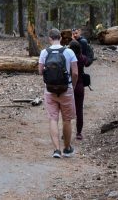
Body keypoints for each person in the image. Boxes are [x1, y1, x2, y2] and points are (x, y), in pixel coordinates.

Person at [38, 27, 78, 158]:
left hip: (50, 90)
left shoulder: (44, 52)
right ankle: (67, 148)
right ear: (60, 38)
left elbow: (40, 71)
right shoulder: (69, 52)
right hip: (66, 89)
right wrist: (73, 84)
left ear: (50, 38)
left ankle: (56, 150)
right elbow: (75, 72)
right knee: (67, 120)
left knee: (53, 119)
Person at [68, 40, 87, 141]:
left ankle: (66, 132)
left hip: (68, 86)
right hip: (79, 86)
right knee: (79, 110)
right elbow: (88, 61)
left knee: (66, 110)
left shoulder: (68, 58)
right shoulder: (82, 58)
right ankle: (79, 133)